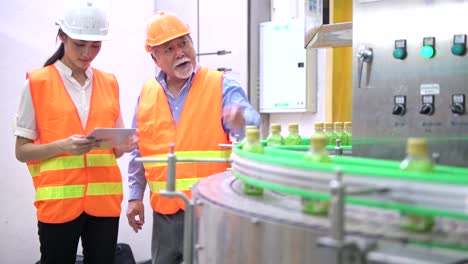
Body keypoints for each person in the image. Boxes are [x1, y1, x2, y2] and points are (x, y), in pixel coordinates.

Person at [126, 11, 260, 264]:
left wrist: (241, 120)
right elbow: (138, 151)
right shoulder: (146, 93)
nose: (180, 53)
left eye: (184, 43)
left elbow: (252, 126)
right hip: (164, 215)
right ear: (154, 56)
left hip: (211, 210)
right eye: (169, 49)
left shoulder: (222, 85)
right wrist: (135, 196)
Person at [14, 1, 138, 263]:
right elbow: (21, 151)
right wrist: (63, 146)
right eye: (80, 44)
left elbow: (114, 149)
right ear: (62, 36)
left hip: (103, 205)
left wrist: (122, 146)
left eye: (95, 45)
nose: (88, 53)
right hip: (58, 206)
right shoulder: (36, 83)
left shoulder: (109, 83)